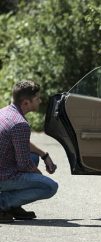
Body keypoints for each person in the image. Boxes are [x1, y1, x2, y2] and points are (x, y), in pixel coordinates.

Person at [0, 80, 58, 223]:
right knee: (49, 186)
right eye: (37, 98)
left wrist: (44, 155)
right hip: (3, 175)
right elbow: (23, 165)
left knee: (34, 157)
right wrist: (40, 175)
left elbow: (22, 143)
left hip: (3, 166)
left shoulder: (5, 112)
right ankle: (4, 203)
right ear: (26, 103)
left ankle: (13, 205)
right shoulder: (20, 124)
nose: (40, 100)